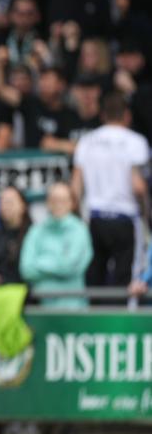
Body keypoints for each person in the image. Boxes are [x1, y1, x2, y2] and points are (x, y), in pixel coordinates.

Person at [72, 92, 149, 288]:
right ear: (127, 115)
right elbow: (139, 187)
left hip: (94, 218)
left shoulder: (87, 141)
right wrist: (146, 214)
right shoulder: (136, 141)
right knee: (128, 281)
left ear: (102, 115)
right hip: (126, 217)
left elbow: (75, 187)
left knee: (95, 278)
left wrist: (78, 218)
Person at [20, 183, 93, 308]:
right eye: (54, 200)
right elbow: (26, 269)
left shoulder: (80, 230)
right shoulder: (36, 231)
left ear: (72, 203)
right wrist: (59, 263)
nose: (58, 204)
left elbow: (69, 267)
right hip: (41, 308)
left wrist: (40, 263)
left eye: (63, 200)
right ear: (47, 203)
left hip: (74, 308)